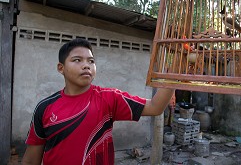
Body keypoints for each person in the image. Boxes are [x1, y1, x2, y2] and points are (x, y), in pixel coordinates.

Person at [21, 38, 174, 165]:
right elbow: (30, 161)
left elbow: (155, 107)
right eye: (77, 60)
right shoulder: (45, 107)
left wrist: (177, 70)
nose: (86, 65)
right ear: (61, 68)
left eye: (91, 61)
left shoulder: (109, 98)